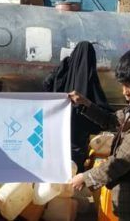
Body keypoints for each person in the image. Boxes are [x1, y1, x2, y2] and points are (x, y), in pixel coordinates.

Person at [69, 49, 130, 221]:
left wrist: (87, 177)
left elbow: (123, 160)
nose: (124, 92)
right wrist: (85, 104)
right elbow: (112, 120)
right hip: (126, 191)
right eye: (123, 85)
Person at [43, 41, 111, 172]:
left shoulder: (63, 70)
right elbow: (102, 109)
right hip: (77, 138)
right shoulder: (91, 78)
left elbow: (47, 85)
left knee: (53, 169)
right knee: (72, 172)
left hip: (57, 129)